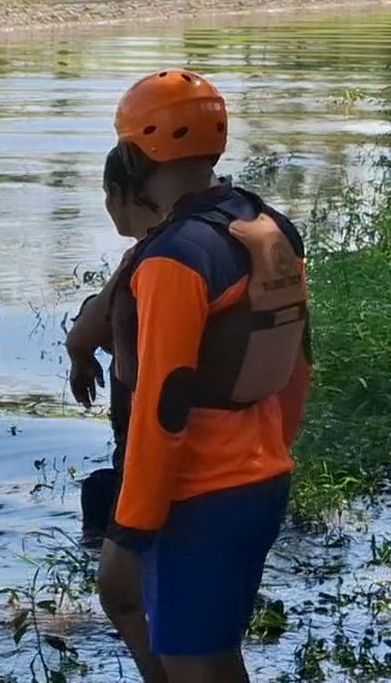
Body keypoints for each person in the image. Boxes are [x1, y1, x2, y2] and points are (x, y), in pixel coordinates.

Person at [93, 69, 312, 683]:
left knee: (195, 664)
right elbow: (298, 368)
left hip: (197, 496)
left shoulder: (175, 258)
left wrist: (129, 531)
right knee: (213, 656)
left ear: (133, 154)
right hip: (262, 481)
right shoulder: (267, 227)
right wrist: (271, 452)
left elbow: (162, 406)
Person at [68, 145, 161, 546]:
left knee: (99, 492)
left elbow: (82, 335)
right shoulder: (206, 239)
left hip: (152, 454)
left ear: (119, 195)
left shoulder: (147, 259)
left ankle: (104, 554)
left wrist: (81, 356)